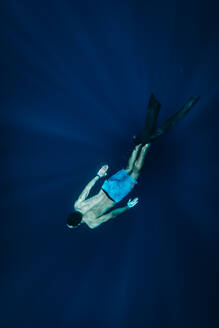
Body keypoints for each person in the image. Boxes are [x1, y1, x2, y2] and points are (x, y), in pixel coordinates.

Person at [66, 93, 200, 230]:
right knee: (128, 168)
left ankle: (146, 146)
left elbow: (112, 215)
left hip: (117, 195)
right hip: (107, 187)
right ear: (72, 214)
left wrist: (127, 207)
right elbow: (87, 189)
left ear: (78, 224)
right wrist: (98, 175)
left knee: (135, 171)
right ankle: (138, 147)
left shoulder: (92, 223)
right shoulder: (78, 205)